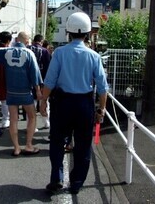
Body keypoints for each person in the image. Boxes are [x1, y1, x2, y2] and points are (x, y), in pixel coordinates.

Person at [39, 12, 108, 195]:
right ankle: (77, 182)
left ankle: (57, 178)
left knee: (57, 141)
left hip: (62, 103)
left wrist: (43, 100)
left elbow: (50, 81)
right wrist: (102, 108)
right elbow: (102, 87)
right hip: (84, 104)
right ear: (88, 33)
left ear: (68, 31)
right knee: (83, 144)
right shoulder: (94, 56)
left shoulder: (60, 53)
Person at [0, 28, 43, 156]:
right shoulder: (29, 53)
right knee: (32, 116)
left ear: (17, 40)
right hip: (25, 92)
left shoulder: (7, 51)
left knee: (13, 119)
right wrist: (38, 90)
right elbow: (34, 74)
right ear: (26, 41)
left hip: (11, 92)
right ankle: (29, 145)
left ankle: (17, 148)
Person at [27, 34, 51, 129]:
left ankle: (31, 126)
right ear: (41, 42)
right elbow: (48, 68)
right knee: (44, 103)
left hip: (29, 81)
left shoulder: (27, 49)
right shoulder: (45, 51)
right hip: (42, 81)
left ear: (33, 40)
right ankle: (46, 122)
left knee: (30, 104)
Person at [0, 31, 12, 128]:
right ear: (9, 41)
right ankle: (6, 119)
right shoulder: (9, 51)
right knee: (5, 100)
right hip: (7, 76)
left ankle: (0, 120)